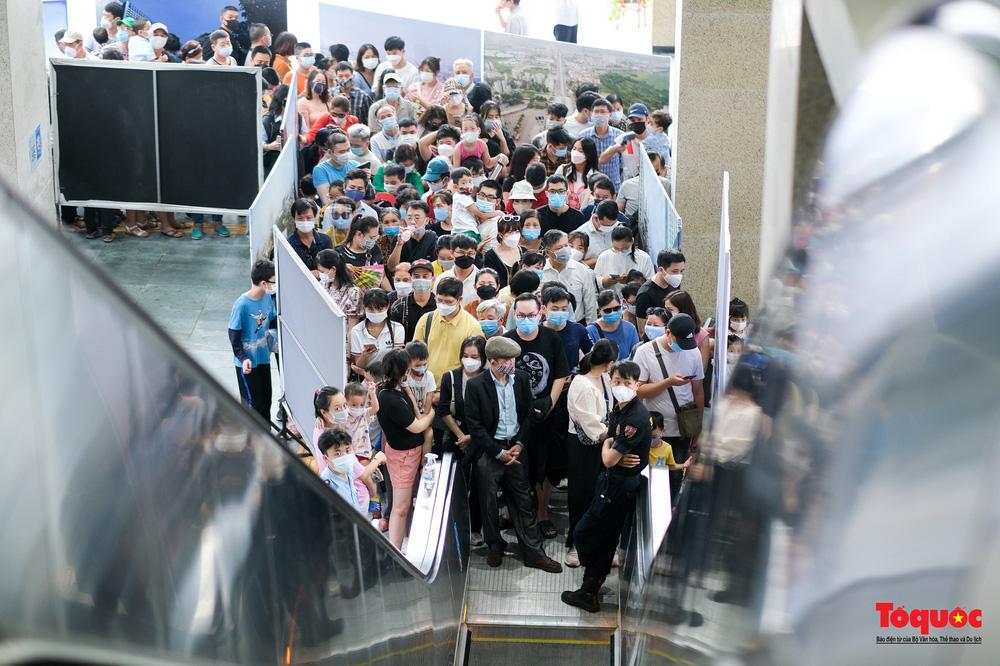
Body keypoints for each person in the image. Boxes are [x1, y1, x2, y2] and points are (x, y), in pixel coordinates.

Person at [464, 336, 563, 572]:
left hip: (517, 449)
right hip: (491, 451)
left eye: (514, 359)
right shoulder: (477, 386)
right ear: (494, 361)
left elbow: (529, 415)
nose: (512, 363)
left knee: (523, 501)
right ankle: (494, 545)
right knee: (488, 502)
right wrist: (498, 452)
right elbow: (475, 426)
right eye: (508, 360)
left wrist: (520, 444)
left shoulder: (521, 380)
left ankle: (534, 552)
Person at [562, 360, 650, 612]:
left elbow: (609, 458)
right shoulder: (621, 409)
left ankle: (591, 583)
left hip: (619, 486)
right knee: (604, 537)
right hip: (612, 481)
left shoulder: (635, 417)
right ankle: (590, 590)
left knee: (584, 533)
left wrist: (608, 446)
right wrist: (611, 444)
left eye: (627, 383)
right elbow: (612, 440)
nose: (621, 386)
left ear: (637, 385)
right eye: (617, 382)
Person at [505, 293, 571, 539]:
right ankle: (517, 513)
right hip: (517, 416)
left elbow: (560, 374)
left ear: (540, 312)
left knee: (547, 467)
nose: (526, 320)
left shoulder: (551, 338)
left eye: (531, 315)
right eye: (521, 316)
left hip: (548, 414)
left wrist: (550, 403)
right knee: (520, 466)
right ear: (514, 315)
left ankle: (543, 513)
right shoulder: (508, 340)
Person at [632, 312, 704, 494]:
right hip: (655, 430)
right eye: (679, 342)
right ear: (668, 332)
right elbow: (638, 390)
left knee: (674, 480)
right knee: (650, 480)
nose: (682, 347)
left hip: (682, 429)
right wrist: (668, 382)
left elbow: (698, 391)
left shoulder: (693, 352)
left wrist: (698, 429)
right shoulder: (645, 352)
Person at [563, 339, 616, 567]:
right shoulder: (582, 383)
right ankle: (576, 543)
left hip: (604, 443)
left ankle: (598, 543)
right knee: (581, 495)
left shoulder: (605, 379)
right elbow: (589, 423)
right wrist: (613, 436)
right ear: (609, 362)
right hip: (584, 446)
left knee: (601, 495)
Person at [377, 350, 436, 547]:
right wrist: (431, 415)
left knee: (408, 504)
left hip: (412, 453)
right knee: (400, 507)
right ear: (404, 370)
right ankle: (395, 550)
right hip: (403, 457)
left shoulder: (398, 389)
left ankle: (405, 543)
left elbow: (415, 413)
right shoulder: (388, 398)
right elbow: (418, 425)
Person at [228, 260, 277, 423]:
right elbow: (234, 335)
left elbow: (271, 321)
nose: (275, 286)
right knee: (252, 406)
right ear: (263, 283)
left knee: (266, 401)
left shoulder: (267, 299)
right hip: (248, 363)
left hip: (263, 358)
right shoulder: (241, 304)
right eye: (273, 282)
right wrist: (243, 358)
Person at [414, 276, 483, 380]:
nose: (443, 305)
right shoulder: (426, 320)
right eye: (440, 300)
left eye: (448, 302)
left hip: (454, 387)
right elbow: (415, 355)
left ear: (460, 299)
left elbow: (474, 365)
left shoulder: (473, 326)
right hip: (426, 386)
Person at [318, 429, 385, 516]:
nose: (345, 456)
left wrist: (376, 509)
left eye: (347, 450)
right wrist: (377, 460)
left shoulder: (350, 464)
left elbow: (371, 484)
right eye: (337, 454)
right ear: (326, 458)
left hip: (362, 504)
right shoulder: (327, 485)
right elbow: (365, 476)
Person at [541, 230, 598, 324]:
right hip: (547, 325)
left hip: (577, 323)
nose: (565, 250)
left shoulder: (583, 270)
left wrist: (590, 329)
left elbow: (590, 304)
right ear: (548, 252)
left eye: (566, 245)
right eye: (559, 248)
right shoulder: (540, 271)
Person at [350, 288, 405, 377]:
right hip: (367, 380)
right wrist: (365, 355)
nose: (375, 313)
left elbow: (396, 361)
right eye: (371, 309)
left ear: (387, 307)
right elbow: (358, 367)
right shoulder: (357, 331)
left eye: (379, 309)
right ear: (364, 307)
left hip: (390, 377)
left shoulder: (397, 328)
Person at [542, 286, 592, 372]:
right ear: (544, 309)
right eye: (555, 309)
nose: (560, 312)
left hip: (571, 381)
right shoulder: (538, 331)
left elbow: (592, 356)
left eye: (564, 309)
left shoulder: (578, 330)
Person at [634, 249, 686, 332]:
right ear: (661, 270)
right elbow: (642, 331)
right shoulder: (645, 294)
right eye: (675, 271)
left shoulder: (674, 285)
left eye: (682, 271)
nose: (679, 275)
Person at [586, 288, 641, 365]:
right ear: (600, 311)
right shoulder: (590, 331)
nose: (613, 312)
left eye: (616, 308)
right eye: (608, 310)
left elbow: (636, 357)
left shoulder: (630, 328)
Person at [594, 225, 654, 295]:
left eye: (624, 248)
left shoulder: (644, 258)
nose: (620, 251)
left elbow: (651, 284)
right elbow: (595, 282)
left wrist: (631, 281)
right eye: (616, 248)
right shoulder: (604, 256)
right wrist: (605, 281)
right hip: (611, 301)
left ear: (632, 241)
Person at [583, 98, 626, 190]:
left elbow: (623, 164)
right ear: (591, 114)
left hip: (613, 188)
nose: (599, 115)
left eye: (602, 112)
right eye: (596, 111)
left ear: (609, 115)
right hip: (589, 188)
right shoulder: (583, 136)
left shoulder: (619, 136)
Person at [390, 259, 437, 340]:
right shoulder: (398, 307)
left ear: (433, 280)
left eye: (425, 276)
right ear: (411, 279)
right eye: (416, 276)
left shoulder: (439, 305)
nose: (421, 279)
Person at [665, 290, 713, 372]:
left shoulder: (702, 335)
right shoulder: (665, 329)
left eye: (670, 310)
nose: (666, 313)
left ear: (682, 310)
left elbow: (701, 369)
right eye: (665, 309)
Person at [317, 248, 363, 330]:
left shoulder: (353, 293)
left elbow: (352, 328)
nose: (320, 275)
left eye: (322, 271)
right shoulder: (322, 285)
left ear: (333, 269)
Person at [314, 132, 361, 205]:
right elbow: (327, 201)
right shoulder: (320, 170)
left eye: (348, 150)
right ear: (330, 152)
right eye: (341, 152)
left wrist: (366, 180)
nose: (346, 154)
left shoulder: (356, 165)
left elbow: (366, 196)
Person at [434, 231, 481, 304]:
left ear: (475, 254)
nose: (465, 256)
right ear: (452, 253)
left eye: (470, 253)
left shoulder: (481, 280)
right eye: (461, 252)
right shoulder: (442, 279)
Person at [287, 198, 332, 274]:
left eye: (308, 218)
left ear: (314, 217)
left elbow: (331, 267)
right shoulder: (288, 244)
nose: (305, 221)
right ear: (293, 219)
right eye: (300, 218)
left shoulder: (325, 240)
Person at [556, 137, 599, 211]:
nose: (575, 153)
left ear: (589, 155)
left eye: (580, 151)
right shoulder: (562, 170)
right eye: (574, 148)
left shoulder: (597, 177)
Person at [576, 200, 624, 265]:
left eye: (612, 225)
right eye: (606, 225)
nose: (610, 227)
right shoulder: (580, 234)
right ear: (596, 218)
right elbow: (573, 264)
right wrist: (598, 260)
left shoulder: (619, 227)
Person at [483, 215, 522, 288]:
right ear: (500, 235)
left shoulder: (523, 251)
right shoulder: (491, 255)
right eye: (510, 232)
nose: (514, 235)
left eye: (517, 231)